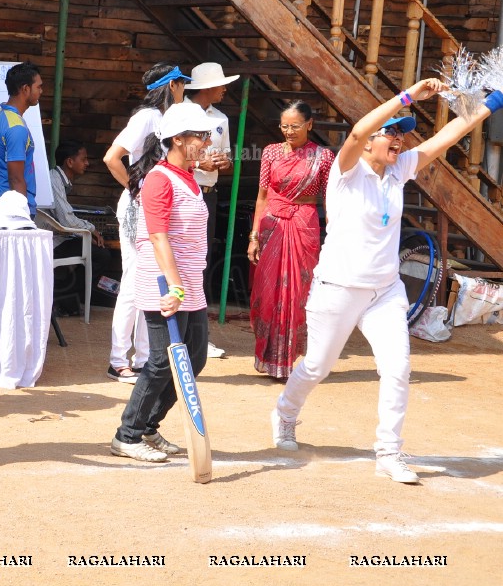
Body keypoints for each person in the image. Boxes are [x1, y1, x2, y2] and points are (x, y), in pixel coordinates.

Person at [272, 77, 502, 484]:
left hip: (385, 291)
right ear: (371, 142)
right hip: (338, 287)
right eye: (391, 133)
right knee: (317, 367)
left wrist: (493, 102)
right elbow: (359, 130)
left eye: (402, 134)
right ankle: (286, 413)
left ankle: (389, 452)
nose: (398, 140)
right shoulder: (345, 171)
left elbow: (448, 135)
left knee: (397, 368)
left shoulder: (399, 172)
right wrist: (409, 95)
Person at [110, 101, 213, 463]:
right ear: (180, 140)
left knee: (194, 358)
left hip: (189, 281)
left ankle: (149, 426)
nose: (205, 141)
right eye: (200, 136)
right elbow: (157, 236)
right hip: (164, 281)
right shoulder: (158, 179)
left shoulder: (189, 177)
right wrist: (174, 286)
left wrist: (185, 284)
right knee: (160, 361)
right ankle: (127, 435)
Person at [102, 63, 189, 384]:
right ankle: (117, 359)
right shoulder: (146, 117)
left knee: (150, 281)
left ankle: (141, 358)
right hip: (139, 206)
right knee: (133, 280)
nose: (184, 90)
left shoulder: (166, 119)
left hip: (153, 204)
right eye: (181, 84)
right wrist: (137, 190)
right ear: (171, 86)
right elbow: (112, 157)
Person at [248, 101, 335, 379]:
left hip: (304, 223)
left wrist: (334, 234)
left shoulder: (323, 157)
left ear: (309, 124)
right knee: (268, 289)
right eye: (284, 126)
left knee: (300, 290)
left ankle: (294, 358)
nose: (288, 131)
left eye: (294, 126)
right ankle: (270, 357)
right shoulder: (270, 152)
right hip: (271, 224)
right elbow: (262, 196)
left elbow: (329, 199)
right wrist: (253, 236)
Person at [183, 62, 237, 358]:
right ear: (206, 88)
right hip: (183, 192)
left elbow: (227, 158)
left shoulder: (221, 119)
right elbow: (168, 155)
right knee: (182, 259)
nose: (225, 89)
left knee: (201, 261)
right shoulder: (180, 113)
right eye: (221, 84)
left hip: (209, 194)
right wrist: (196, 164)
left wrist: (222, 163)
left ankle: (198, 336)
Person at [46, 143, 109, 315]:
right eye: (84, 159)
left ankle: (63, 297)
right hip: (51, 241)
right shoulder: (53, 180)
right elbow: (67, 220)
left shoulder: (59, 180)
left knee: (98, 251)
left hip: (59, 237)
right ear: (69, 162)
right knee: (102, 255)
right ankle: (60, 295)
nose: (87, 163)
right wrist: (91, 229)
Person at [0, 62, 42, 217]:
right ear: (25, 89)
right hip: (11, 209)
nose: (41, 91)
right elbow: (16, 178)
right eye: (38, 87)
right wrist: (22, 215)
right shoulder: (16, 127)